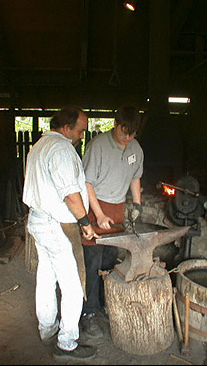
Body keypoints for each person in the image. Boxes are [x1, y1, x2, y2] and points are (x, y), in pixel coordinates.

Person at [23, 105, 100, 361]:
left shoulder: (39, 146)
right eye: (80, 130)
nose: (82, 135)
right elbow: (70, 194)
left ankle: (47, 330)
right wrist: (85, 222)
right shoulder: (61, 150)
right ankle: (67, 342)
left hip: (38, 221)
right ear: (66, 127)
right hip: (56, 226)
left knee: (46, 276)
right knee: (73, 285)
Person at [80, 105, 144, 337]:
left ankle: (104, 304)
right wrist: (98, 215)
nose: (127, 138)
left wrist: (136, 205)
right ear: (116, 125)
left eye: (132, 134)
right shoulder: (98, 146)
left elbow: (136, 177)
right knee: (92, 263)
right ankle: (88, 312)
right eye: (123, 132)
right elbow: (86, 184)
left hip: (117, 210)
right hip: (96, 208)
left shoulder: (135, 148)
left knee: (109, 262)